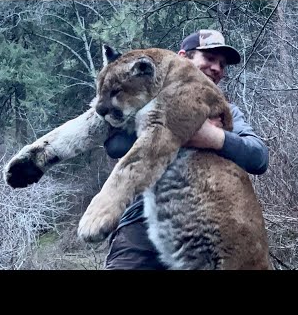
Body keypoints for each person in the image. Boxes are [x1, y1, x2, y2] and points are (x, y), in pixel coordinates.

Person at [103, 29, 269, 270]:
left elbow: (258, 157)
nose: (217, 69)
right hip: (141, 223)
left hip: (201, 228)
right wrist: (180, 130)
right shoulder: (146, 101)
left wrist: (213, 137)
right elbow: (115, 145)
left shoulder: (226, 112)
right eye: (209, 59)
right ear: (183, 58)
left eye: (222, 64)